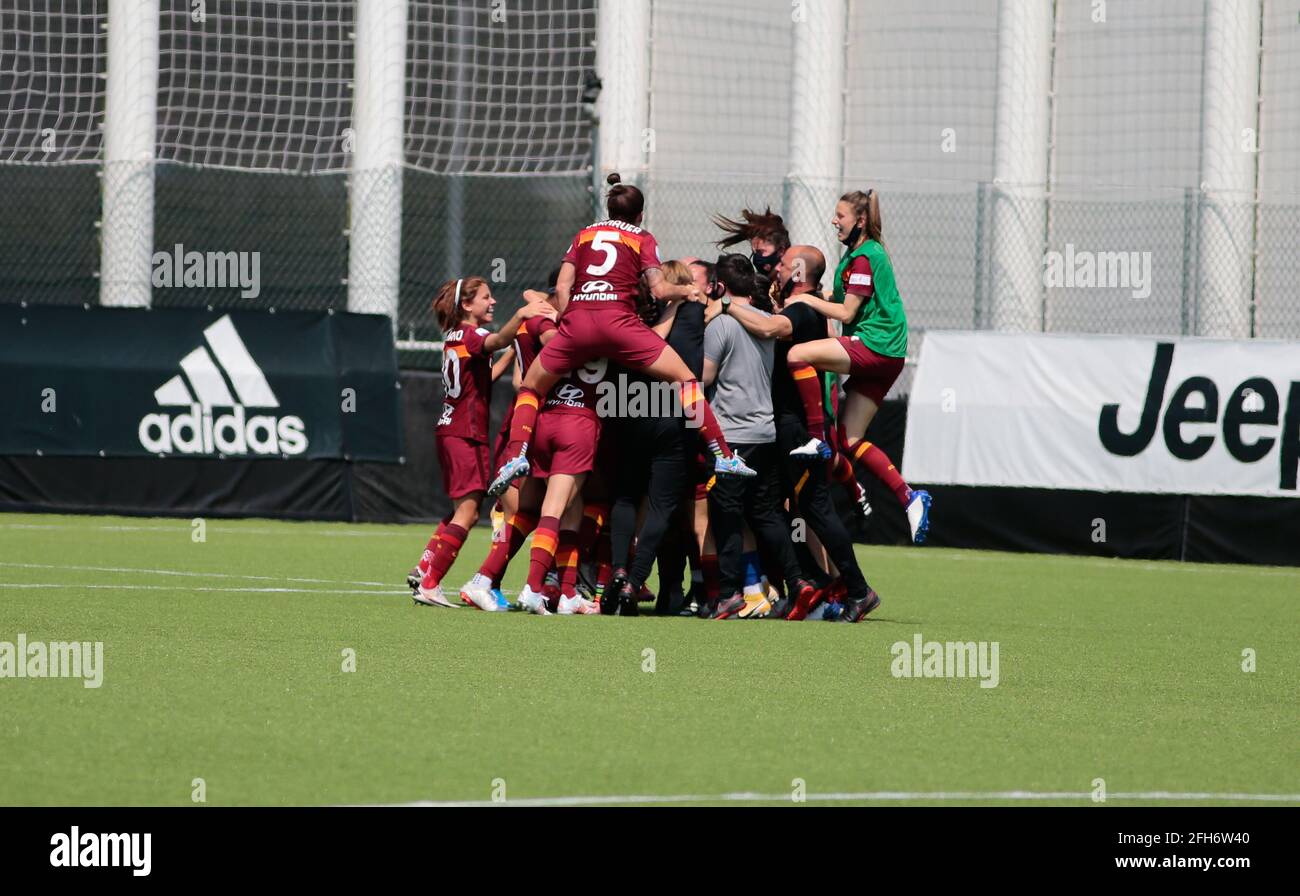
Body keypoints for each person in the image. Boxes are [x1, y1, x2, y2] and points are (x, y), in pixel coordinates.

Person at [487, 173, 755, 498]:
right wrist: (686, 290)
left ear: (609, 207)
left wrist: (570, 322)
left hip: (579, 323)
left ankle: (515, 457)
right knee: (685, 380)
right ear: (640, 214)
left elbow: (561, 287)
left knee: (531, 386)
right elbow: (658, 289)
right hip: (619, 324)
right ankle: (724, 456)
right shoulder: (642, 237)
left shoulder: (584, 234)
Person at [723, 244, 883, 622]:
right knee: (765, 506)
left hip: (796, 429)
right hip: (783, 427)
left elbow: (769, 327)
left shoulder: (804, 308)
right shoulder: (802, 306)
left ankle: (857, 589)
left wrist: (726, 306)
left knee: (815, 508)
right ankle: (810, 582)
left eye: (781, 262)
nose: (775, 267)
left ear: (797, 271)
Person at [783, 189, 932, 545]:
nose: (835, 221)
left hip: (876, 345)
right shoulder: (859, 256)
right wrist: (816, 297)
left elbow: (848, 313)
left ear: (860, 220)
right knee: (850, 439)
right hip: (888, 354)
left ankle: (817, 439)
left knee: (796, 356)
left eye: (841, 215)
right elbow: (844, 300)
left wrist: (804, 298)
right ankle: (910, 498)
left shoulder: (864, 257)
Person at [410, 278, 556, 608]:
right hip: (464, 434)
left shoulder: (455, 337)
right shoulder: (473, 335)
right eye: (486, 298)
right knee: (469, 511)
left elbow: (483, 375)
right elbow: (498, 339)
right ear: (466, 305)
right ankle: (431, 583)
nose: (492, 302)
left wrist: (513, 355)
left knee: (460, 509)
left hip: (449, 430)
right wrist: (522, 315)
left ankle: (424, 568)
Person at [701, 254, 816, 619]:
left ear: (720, 287)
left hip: (732, 433)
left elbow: (704, 378)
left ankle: (731, 592)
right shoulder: (768, 320)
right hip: (765, 433)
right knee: (767, 513)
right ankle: (799, 581)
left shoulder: (720, 324)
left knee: (727, 515)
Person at [605, 260, 705, 616]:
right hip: (673, 417)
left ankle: (618, 569)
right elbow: (692, 371)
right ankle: (635, 580)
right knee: (664, 506)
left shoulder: (630, 312)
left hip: (627, 410)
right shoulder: (692, 312)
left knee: (626, 496)